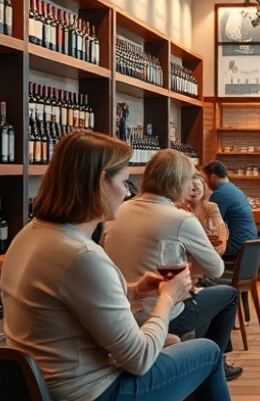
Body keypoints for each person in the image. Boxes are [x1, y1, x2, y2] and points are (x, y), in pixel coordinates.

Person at [0, 131, 229, 401]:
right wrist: (167, 299)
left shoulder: (29, 236)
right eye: (123, 181)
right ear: (99, 183)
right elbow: (140, 359)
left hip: (47, 384)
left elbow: (76, 301)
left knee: (176, 346)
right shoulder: (81, 256)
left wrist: (133, 291)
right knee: (209, 353)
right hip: (93, 391)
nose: (127, 191)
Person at [102, 149, 243, 382]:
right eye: (190, 179)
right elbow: (216, 268)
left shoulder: (119, 209)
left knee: (201, 294)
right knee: (229, 295)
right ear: (178, 182)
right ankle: (215, 367)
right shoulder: (179, 218)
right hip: (160, 312)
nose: (193, 187)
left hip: (121, 310)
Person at [203, 160, 259, 260]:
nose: (205, 182)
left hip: (237, 247)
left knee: (198, 252)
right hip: (248, 245)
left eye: (205, 179)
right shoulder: (231, 188)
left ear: (212, 177)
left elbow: (210, 225)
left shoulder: (220, 194)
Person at [182, 172, 229, 256]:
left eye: (197, 187)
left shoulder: (211, 208)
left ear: (204, 189)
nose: (193, 190)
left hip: (207, 260)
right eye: (189, 187)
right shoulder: (178, 209)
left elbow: (220, 242)